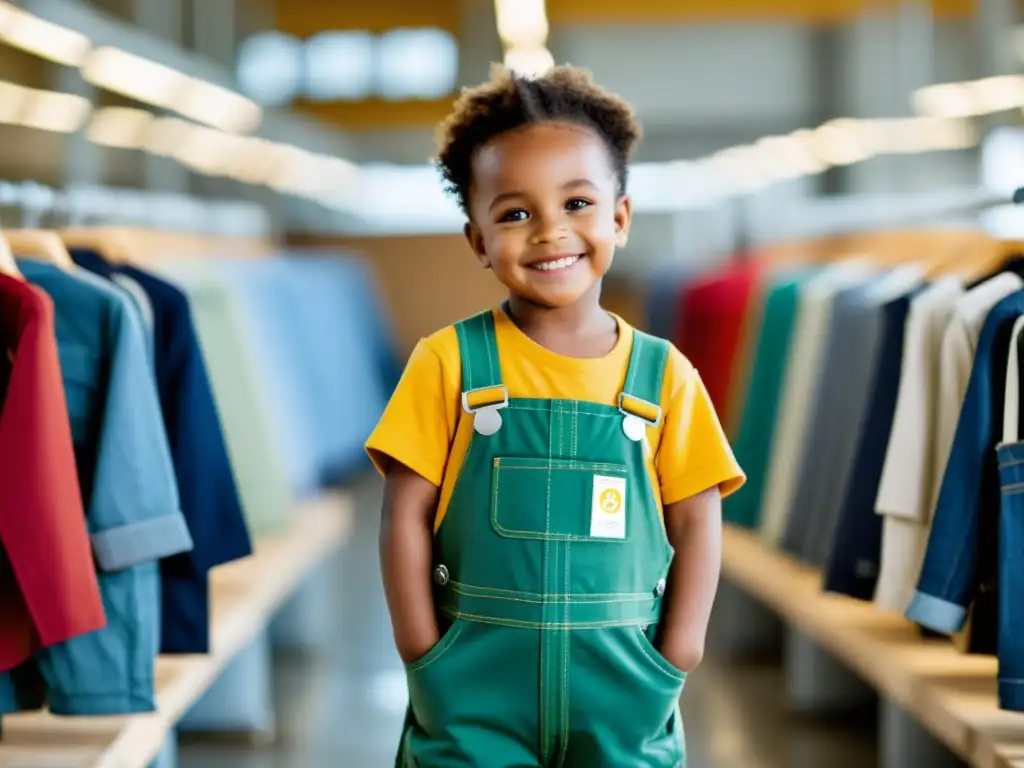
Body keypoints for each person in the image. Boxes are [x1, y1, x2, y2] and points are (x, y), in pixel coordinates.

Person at [365, 63, 746, 768]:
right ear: (477, 239)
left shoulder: (664, 378)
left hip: (625, 693)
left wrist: (678, 652)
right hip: (470, 694)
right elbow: (403, 517)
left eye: (576, 203)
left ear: (619, 219)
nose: (549, 232)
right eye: (514, 213)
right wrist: (422, 651)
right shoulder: (446, 364)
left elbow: (697, 518)